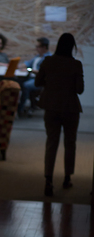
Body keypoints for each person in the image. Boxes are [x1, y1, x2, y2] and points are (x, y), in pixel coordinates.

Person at [35, 33, 84, 197]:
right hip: (70, 108)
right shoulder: (76, 64)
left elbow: (37, 82)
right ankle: (67, 178)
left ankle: (48, 180)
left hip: (51, 106)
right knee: (70, 143)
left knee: (52, 142)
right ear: (72, 47)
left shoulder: (48, 62)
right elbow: (80, 89)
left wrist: (52, 84)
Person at [17, 37, 51, 117]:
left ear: (44, 47)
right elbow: (28, 63)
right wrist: (19, 66)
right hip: (31, 78)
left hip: (39, 80)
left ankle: (20, 109)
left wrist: (29, 70)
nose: (36, 48)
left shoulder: (48, 58)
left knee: (26, 85)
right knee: (17, 81)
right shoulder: (37, 57)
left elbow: (44, 72)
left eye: (38, 46)